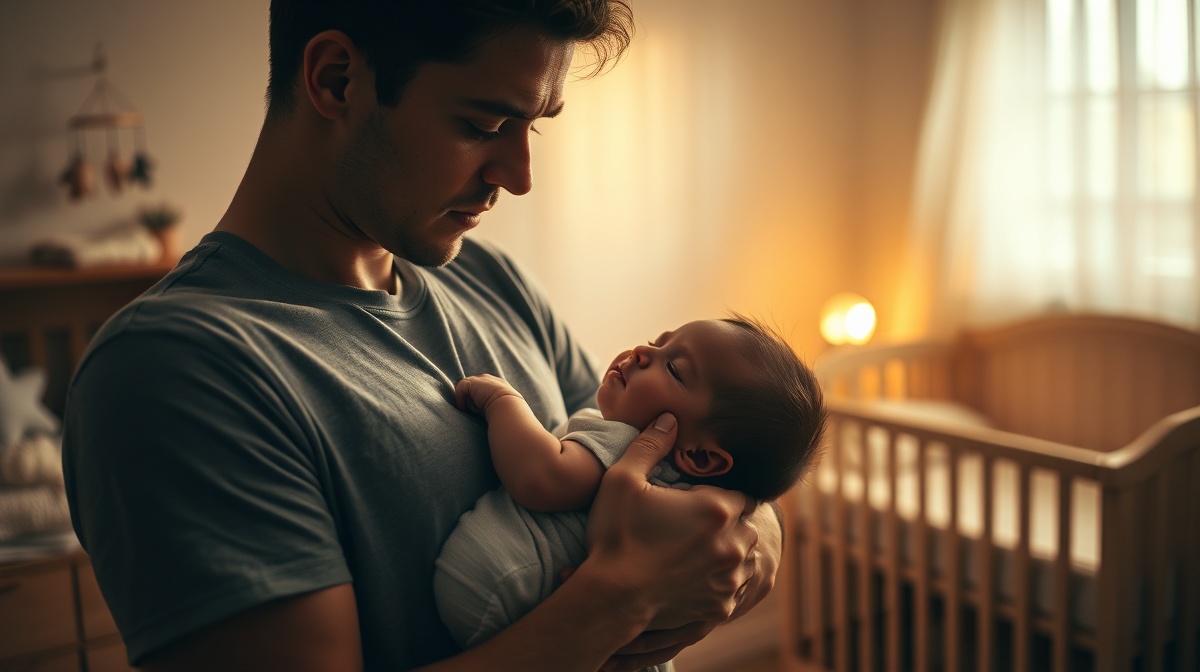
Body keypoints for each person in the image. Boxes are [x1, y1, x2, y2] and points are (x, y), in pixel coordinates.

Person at [61, 2, 788, 671]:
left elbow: (704, 484)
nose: (520, 174)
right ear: (337, 80)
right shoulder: (175, 371)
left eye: (534, 127)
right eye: (481, 125)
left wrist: (748, 558)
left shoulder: (493, 280)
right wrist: (616, 603)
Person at [435, 316, 826, 663]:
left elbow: (541, 476)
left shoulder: (623, 442)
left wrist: (503, 401)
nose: (642, 352)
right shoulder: (682, 482)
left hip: (503, 589)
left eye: (673, 368)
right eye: (657, 342)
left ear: (702, 459)